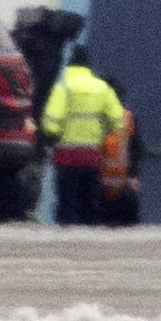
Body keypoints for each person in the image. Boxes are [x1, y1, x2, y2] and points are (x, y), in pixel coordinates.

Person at [41, 42, 129, 226]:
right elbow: (117, 120)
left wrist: (55, 135)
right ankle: (90, 237)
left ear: (70, 64)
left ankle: (66, 236)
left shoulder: (63, 87)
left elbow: (51, 123)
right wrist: (103, 131)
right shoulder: (102, 88)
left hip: (66, 155)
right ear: (88, 65)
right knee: (89, 202)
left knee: (66, 202)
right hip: (92, 154)